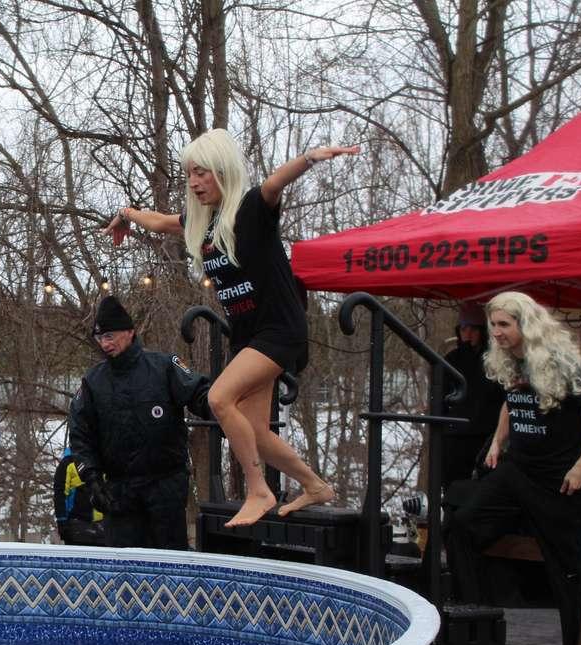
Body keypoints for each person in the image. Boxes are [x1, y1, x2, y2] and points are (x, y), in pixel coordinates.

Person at [104, 129, 358, 527]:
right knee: (254, 430)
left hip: (278, 329)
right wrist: (126, 214)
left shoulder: (252, 208)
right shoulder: (202, 222)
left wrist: (309, 158)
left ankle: (259, 490)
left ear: (222, 170)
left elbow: (275, 182)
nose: (193, 183)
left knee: (220, 399)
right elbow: (158, 222)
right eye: (189, 174)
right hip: (249, 335)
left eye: (201, 173)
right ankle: (315, 485)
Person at [445, 292, 581, 645]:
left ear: (525, 324)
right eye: (493, 325)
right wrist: (497, 441)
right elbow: (511, 404)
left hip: (558, 478)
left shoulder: (560, 364)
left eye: (504, 325)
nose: (496, 332)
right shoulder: (508, 361)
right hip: (517, 470)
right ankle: (477, 624)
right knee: (462, 525)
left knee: (569, 566)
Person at [68, 296, 213, 549]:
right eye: (100, 338)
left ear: (130, 332)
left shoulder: (164, 366)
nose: (105, 344)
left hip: (165, 487)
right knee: (125, 571)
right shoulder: (93, 381)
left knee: (170, 564)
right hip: (120, 492)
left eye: (110, 336)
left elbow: (200, 394)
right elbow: (81, 434)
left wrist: (222, 408)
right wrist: (91, 479)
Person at [442, 302, 505, 486]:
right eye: (463, 329)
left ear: (482, 331)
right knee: (453, 484)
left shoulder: (495, 360)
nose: (467, 334)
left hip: (485, 435)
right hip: (455, 435)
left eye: (472, 329)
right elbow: (441, 397)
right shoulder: (450, 360)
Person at [52, 447, 105, 546]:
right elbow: (60, 494)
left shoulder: (104, 459)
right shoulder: (68, 462)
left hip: (104, 526)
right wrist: (61, 521)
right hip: (76, 526)